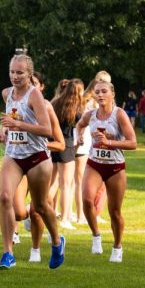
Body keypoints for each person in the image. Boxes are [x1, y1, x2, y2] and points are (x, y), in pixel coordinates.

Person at [0, 53, 64, 270]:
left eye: (20, 73)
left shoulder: (34, 96)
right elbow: (10, 117)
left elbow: (47, 131)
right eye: (12, 72)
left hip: (37, 157)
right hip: (14, 155)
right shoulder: (7, 94)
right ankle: (8, 253)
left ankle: (56, 241)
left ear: (29, 74)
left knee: (41, 206)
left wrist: (19, 125)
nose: (15, 77)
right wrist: (4, 129)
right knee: (5, 197)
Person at [75, 80, 137, 261]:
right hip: (95, 163)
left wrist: (109, 142)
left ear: (112, 94)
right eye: (97, 92)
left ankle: (117, 247)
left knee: (114, 212)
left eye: (104, 92)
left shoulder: (120, 114)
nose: (100, 95)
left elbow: (132, 143)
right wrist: (79, 136)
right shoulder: (91, 115)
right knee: (86, 199)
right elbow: (79, 125)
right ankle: (96, 236)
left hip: (115, 167)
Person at [50, 79, 84, 231]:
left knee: (54, 182)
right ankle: (65, 218)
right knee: (67, 185)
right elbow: (80, 124)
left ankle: (39, 208)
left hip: (53, 144)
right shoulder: (76, 108)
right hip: (67, 145)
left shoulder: (56, 103)